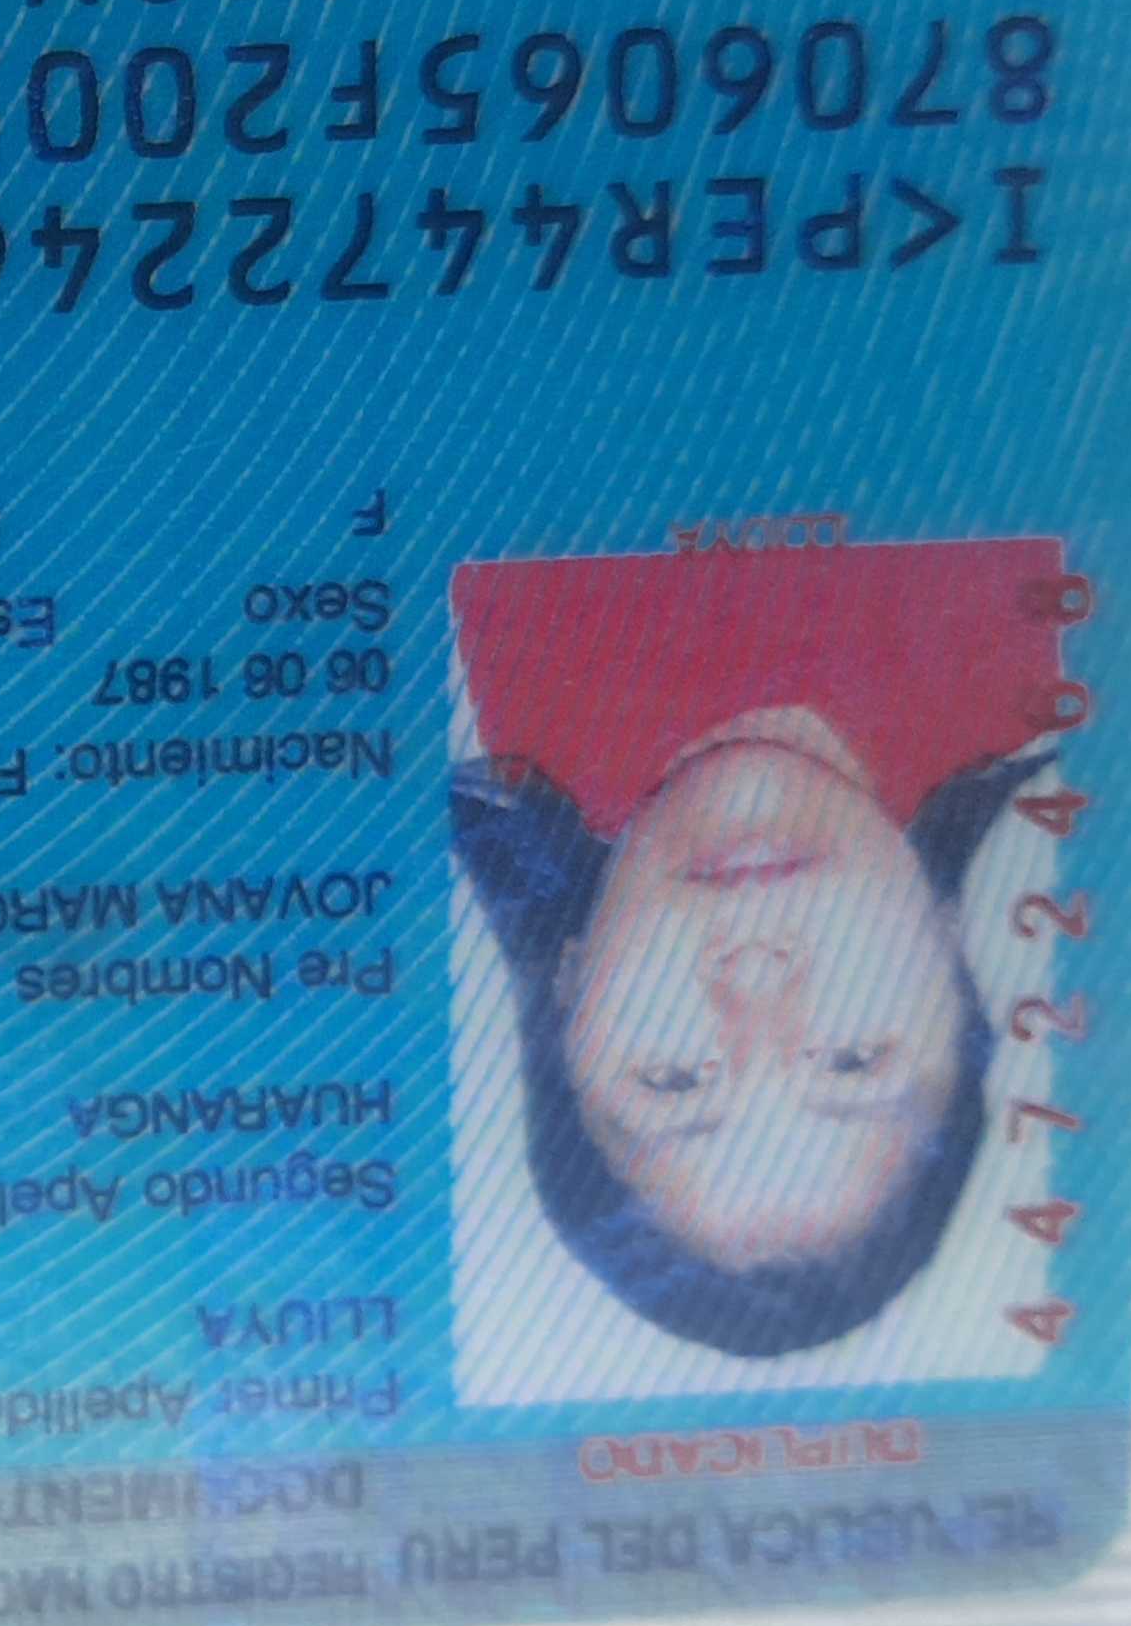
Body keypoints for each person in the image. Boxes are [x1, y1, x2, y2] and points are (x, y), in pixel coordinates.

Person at [449, 540, 1064, 1360]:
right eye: (851, 1060)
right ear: (957, 963)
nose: (754, 979)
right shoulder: (1048, 634)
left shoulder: (455, 648)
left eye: (675, 1078)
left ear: (567, 982)